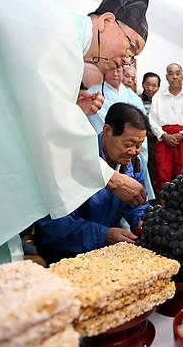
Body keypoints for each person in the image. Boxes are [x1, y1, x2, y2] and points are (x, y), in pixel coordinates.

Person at [0, 0, 149, 266]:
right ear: (107, 21)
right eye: (130, 46)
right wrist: (109, 178)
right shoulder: (60, 37)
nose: (127, 59)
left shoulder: (65, 40)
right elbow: (55, 129)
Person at [35, 103, 148, 264]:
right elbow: (54, 224)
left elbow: (136, 204)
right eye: (128, 144)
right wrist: (103, 234)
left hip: (105, 255)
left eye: (139, 145)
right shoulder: (72, 160)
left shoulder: (134, 164)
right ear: (107, 131)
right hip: (66, 255)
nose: (134, 151)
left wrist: (142, 221)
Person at [87, 66, 154, 200]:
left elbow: (137, 210)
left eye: (120, 69)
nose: (117, 73)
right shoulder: (92, 93)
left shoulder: (134, 159)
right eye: (113, 68)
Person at [149, 63, 183, 191]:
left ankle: (182, 207)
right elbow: (152, 120)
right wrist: (163, 135)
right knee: (162, 172)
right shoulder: (158, 97)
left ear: (182, 76)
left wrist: (181, 134)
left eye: (178, 73)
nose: (174, 76)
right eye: (171, 73)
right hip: (163, 139)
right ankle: (163, 206)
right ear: (166, 77)